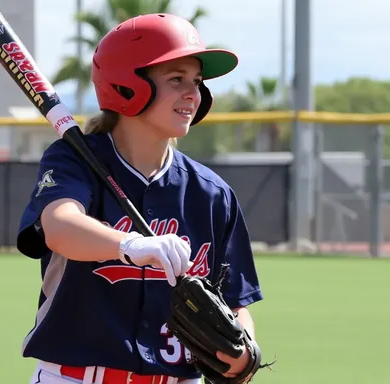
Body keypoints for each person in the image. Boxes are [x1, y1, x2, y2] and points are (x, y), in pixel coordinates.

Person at [16, 13, 264, 384]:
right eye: (176, 79)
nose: (192, 93)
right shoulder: (75, 159)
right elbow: (60, 226)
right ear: (128, 87)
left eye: (196, 82)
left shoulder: (211, 193)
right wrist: (130, 244)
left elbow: (234, 302)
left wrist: (242, 350)